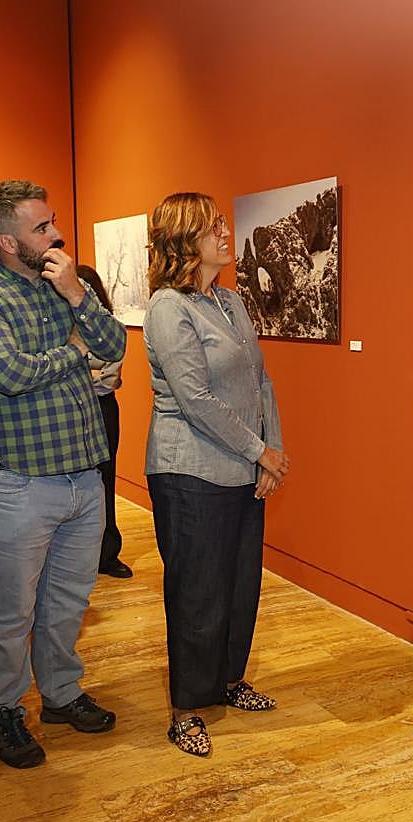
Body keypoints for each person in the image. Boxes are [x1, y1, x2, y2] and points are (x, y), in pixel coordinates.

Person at [0, 180, 126, 769]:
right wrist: (75, 352)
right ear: (7, 242)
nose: (56, 234)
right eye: (42, 227)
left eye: (52, 222)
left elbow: (113, 344)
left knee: (68, 600)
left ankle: (60, 693)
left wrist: (77, 296)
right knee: (10, 610)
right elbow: (10, 374)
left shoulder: (63, 283)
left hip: (82, 477)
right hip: (15, 484)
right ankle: (4, 710)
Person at [143, 192, 289, 757]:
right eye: (213, 227)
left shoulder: (229, 300)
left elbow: (260, 380)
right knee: (197, 594)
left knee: (239, 586)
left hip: (243, 465)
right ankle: (186, 708)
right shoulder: (168, 307)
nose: (227, 233)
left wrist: (271, 449)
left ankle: (229, 679)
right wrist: (259, 451)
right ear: (184, 240)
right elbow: (195, 399)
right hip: (191, 471)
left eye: (223, 224)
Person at [76, 263, 132, 579]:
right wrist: (86, 369)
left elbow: (107, 380)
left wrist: (78, 368)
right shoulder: (61, 327)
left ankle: (108, 552)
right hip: (72, 411)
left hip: (104, 409)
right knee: (77, 482)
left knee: (105, 480)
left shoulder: (110, 327)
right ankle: (78, 554)